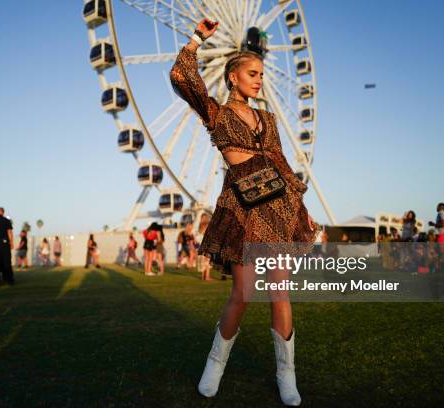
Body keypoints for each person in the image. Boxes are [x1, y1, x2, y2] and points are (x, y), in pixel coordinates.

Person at [170, 19, 318, 405]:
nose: (259, 80)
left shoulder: (269, 120)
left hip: (277, 206)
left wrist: (299, 210)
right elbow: (183, 79)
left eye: (262, 75)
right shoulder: (216, 114)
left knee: (280, 293)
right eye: (252, 74)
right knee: (242, 292)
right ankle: (214, 366)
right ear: (233, 77)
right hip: (242, 208)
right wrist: (197, 40)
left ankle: (287, 376)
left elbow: (282, 164)